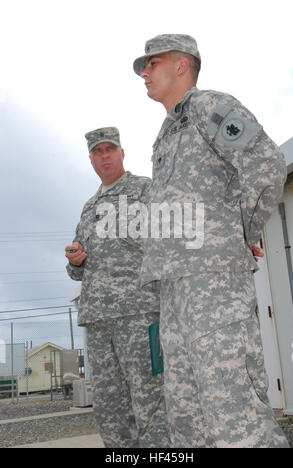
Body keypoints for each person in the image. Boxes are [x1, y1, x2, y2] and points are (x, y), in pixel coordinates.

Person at [133, 34, 289, 448]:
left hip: (213, 284)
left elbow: (265, 163)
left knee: (233, 414)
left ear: (182, 65)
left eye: (152, 63)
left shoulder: (208, 107)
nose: (144, 72)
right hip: (175, 288)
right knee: (186, 417)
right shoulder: (164, 137)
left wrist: (241, 231)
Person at [65, 127, 169, 448]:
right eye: (98, 151)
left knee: (151, 399)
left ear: (122, 152)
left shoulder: (145, 191)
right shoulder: (88, 208)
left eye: (110, 149)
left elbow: (174, 238)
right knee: (110, 408)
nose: (104, 155)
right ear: (91, 160)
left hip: (139, 314)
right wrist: (76, 261)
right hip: (98, 322)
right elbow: (77, 271)